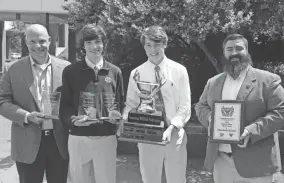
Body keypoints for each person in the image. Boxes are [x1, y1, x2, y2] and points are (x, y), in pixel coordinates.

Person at [195, 33, 284, 183]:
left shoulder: (268, 80)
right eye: (229, 49)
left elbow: (280, 111)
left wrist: (252, 130)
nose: (234, 53)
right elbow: (200, 106)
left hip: (256, 163)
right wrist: (212, 119)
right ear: (223, 53)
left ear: (247, 51)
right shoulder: (213, 82)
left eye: (239, 48)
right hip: (221, 161)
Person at [0, 24, 70, 183]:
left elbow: (73, 101)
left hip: (59, 142)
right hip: (27, 141)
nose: (38, 46)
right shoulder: (12, 69)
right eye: (32, 41)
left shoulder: (66, 68)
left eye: (42, 41)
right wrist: (26, 116)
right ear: (26, 42)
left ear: (49, 41)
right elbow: (2, 101)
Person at [122, 26, 191, 183]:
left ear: (164, 44)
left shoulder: (179, 70)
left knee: (177, 179)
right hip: (147, 137)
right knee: (149, 179)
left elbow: (185, 106)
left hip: (174, 136)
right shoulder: (136, 73)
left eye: (156, 44)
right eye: (148, 45)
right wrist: (125, 121)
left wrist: (172, 128)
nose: (152, 49)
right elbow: (131, 104)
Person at [60, 24, 124, 183]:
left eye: (97, 42)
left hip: (106, 137)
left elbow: (121, 103)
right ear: (83, 46)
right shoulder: (70, 71)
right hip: (78, 138)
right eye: (88, 43)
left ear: (104, 44)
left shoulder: (115, 71)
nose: (94, 47)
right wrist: (72, 120)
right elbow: (65, 106)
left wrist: (118, 118)